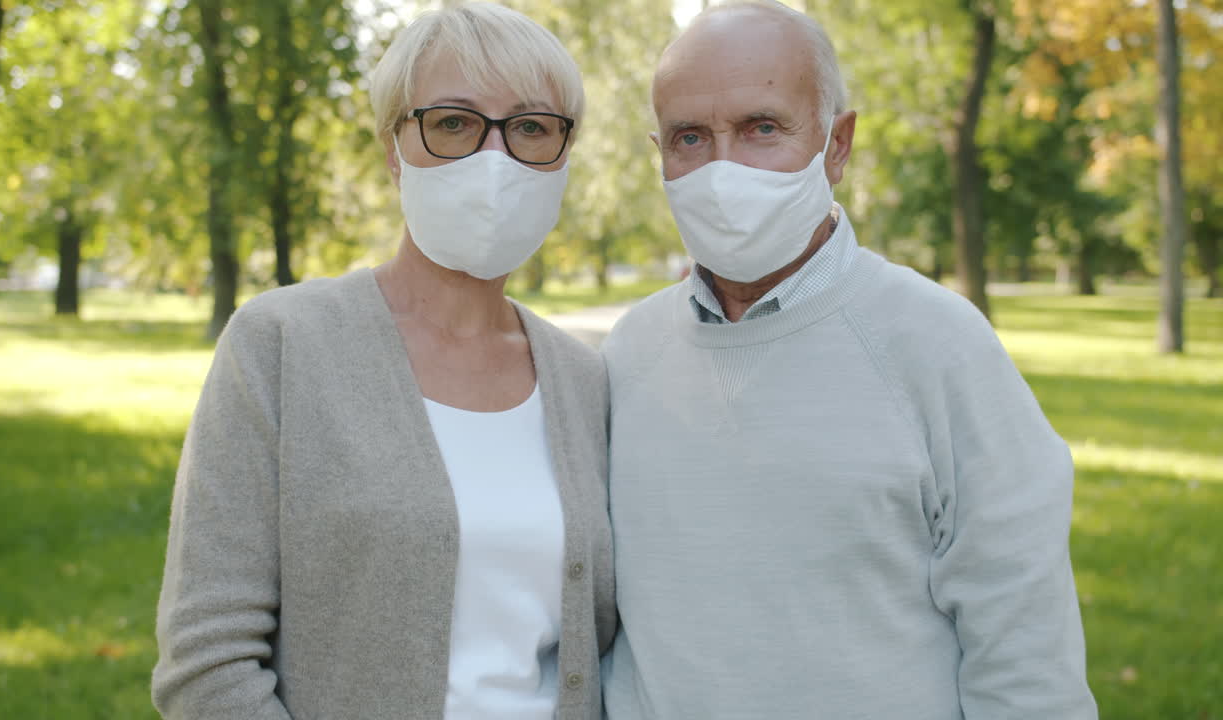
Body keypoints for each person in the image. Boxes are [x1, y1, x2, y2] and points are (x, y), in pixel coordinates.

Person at [600, 2, 1098, 718]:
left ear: (838, 143)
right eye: (689, 138)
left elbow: (1024, 656)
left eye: (761, 128)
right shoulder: (628, 354)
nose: (722, 168)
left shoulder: (939, 346)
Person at [152, 5, 614, 719]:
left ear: (563, 154)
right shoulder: (280, 346)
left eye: (530, 127)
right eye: (454, 122)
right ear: (394, 149)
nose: (493, 161)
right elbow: (208, 663)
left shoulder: (585, 381)